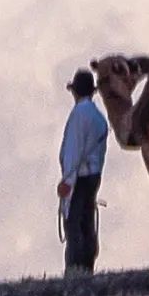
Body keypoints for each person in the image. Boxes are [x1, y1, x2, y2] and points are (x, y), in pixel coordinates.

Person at [57, 68, 109, 275]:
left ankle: (76, 266)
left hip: (78, 176)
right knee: (87, 220)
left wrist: (67, 181)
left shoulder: (79, 114)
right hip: (93, 175)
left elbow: (73, 150)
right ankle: (87, 264)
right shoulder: (98, 117)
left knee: (74, 222)